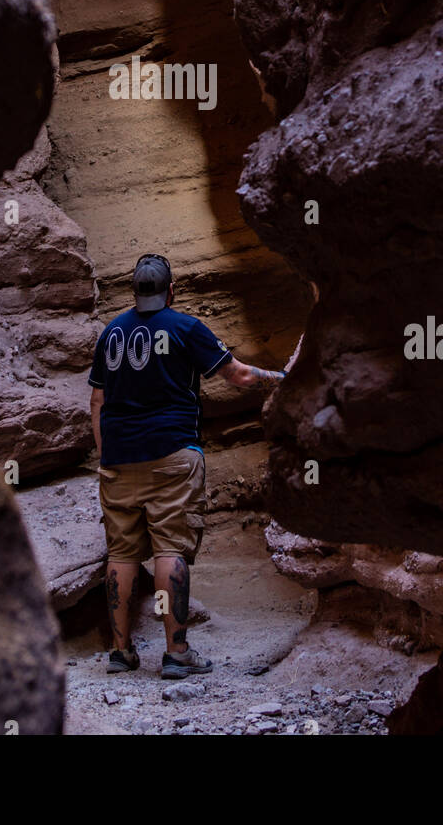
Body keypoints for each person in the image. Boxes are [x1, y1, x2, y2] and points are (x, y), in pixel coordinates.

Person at [88, 252, 286, 678]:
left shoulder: (111, 334)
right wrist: (282, 377)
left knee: (121, 553)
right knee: (170, 547)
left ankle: (121, 653)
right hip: (172, 453)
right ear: (171, 290)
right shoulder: (185, 327)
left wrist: (107, 454)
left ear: (134, 292)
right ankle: (176, 653)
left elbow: (98, 401)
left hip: (118, 460)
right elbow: (238, 376)